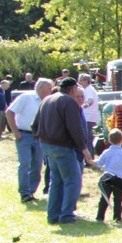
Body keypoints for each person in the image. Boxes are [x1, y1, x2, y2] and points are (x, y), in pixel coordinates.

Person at [35, 77, 96, 224]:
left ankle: (53, 215)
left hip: (47, 145)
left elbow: (35, 124)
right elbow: (75, 128)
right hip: (62, 146)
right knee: (73, 181)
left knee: (56, 181)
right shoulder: (68, 102)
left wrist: (41, 139)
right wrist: (84, 148)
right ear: (73, 88)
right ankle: (67, 215)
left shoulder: (47, 99)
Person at [6, 77, 53, 202]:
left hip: (40, 137)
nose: (51, 90)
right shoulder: (26, 97)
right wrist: (15, 132)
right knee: (25, 163)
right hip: (24, 135)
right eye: (49, 88)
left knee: (37, 165)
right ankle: (24, 192)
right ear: (42, 88)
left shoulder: (48, 101)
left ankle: (31, 191)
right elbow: (9, 112)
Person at [91, 128, 122, 223]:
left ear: (109, 140)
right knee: (118, 200)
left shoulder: (107, 152)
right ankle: (117, 218)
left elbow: (99, 163)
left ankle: (99, 217)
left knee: (104, 198)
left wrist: (90, 161)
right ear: (121, 140)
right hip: (119, 180)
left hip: (107, 179)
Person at [78, 72, 101, 149]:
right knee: (89, 139)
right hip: (90, 118)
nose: (79, 82)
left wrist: (83, 106)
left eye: (80, 80)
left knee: (87, 140)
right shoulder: (88, 89)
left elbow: (90, 100)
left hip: (88, 118)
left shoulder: (88, 90)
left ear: (86, 81)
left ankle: (90, 155)